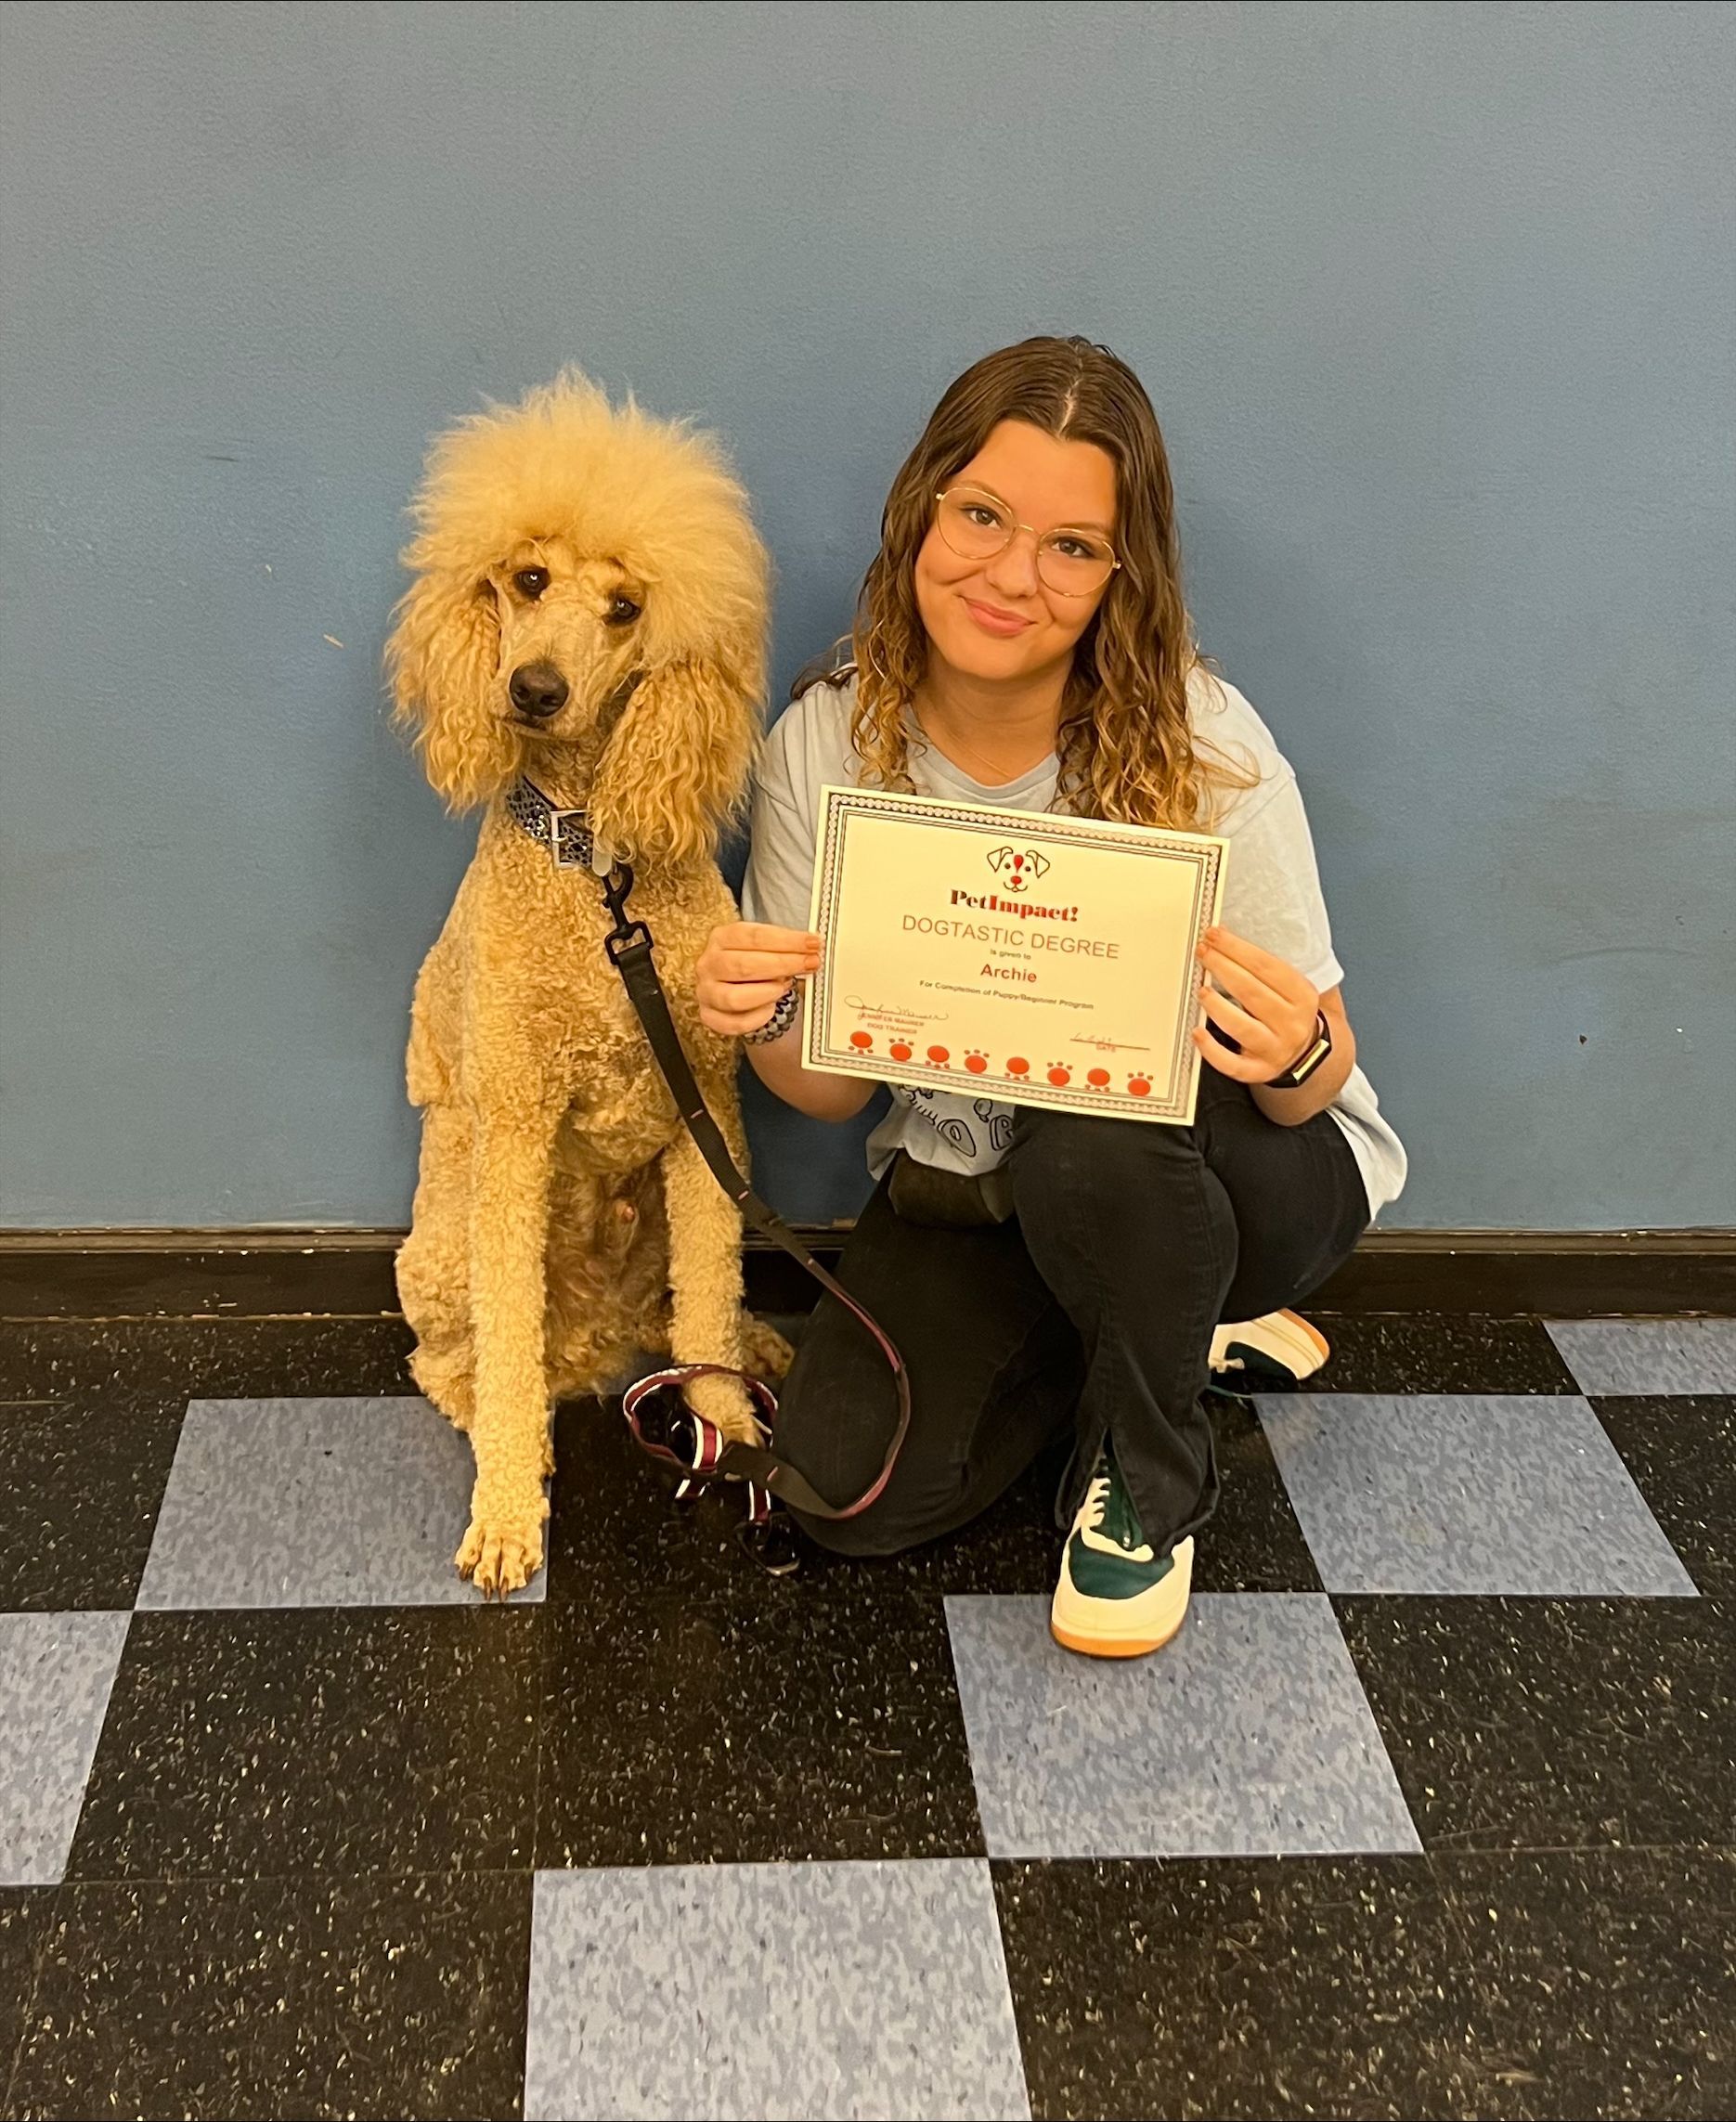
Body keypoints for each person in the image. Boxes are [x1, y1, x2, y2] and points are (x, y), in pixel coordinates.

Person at [694, 336, 1406, 1658]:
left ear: (1116, 578)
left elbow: (1317, 1071)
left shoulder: (1203, 739)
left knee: (1093, 1138)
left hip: (1251, 1177)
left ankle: (1146, 1470)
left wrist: (1293, 1044)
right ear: (922, 511)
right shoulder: (826, 739)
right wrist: (766, 1010)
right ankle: (1146, 1327)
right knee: (846, 1494)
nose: (1012, 575)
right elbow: (834, 1087)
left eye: (1071, 547)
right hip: (975, 1181)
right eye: (981, 516)